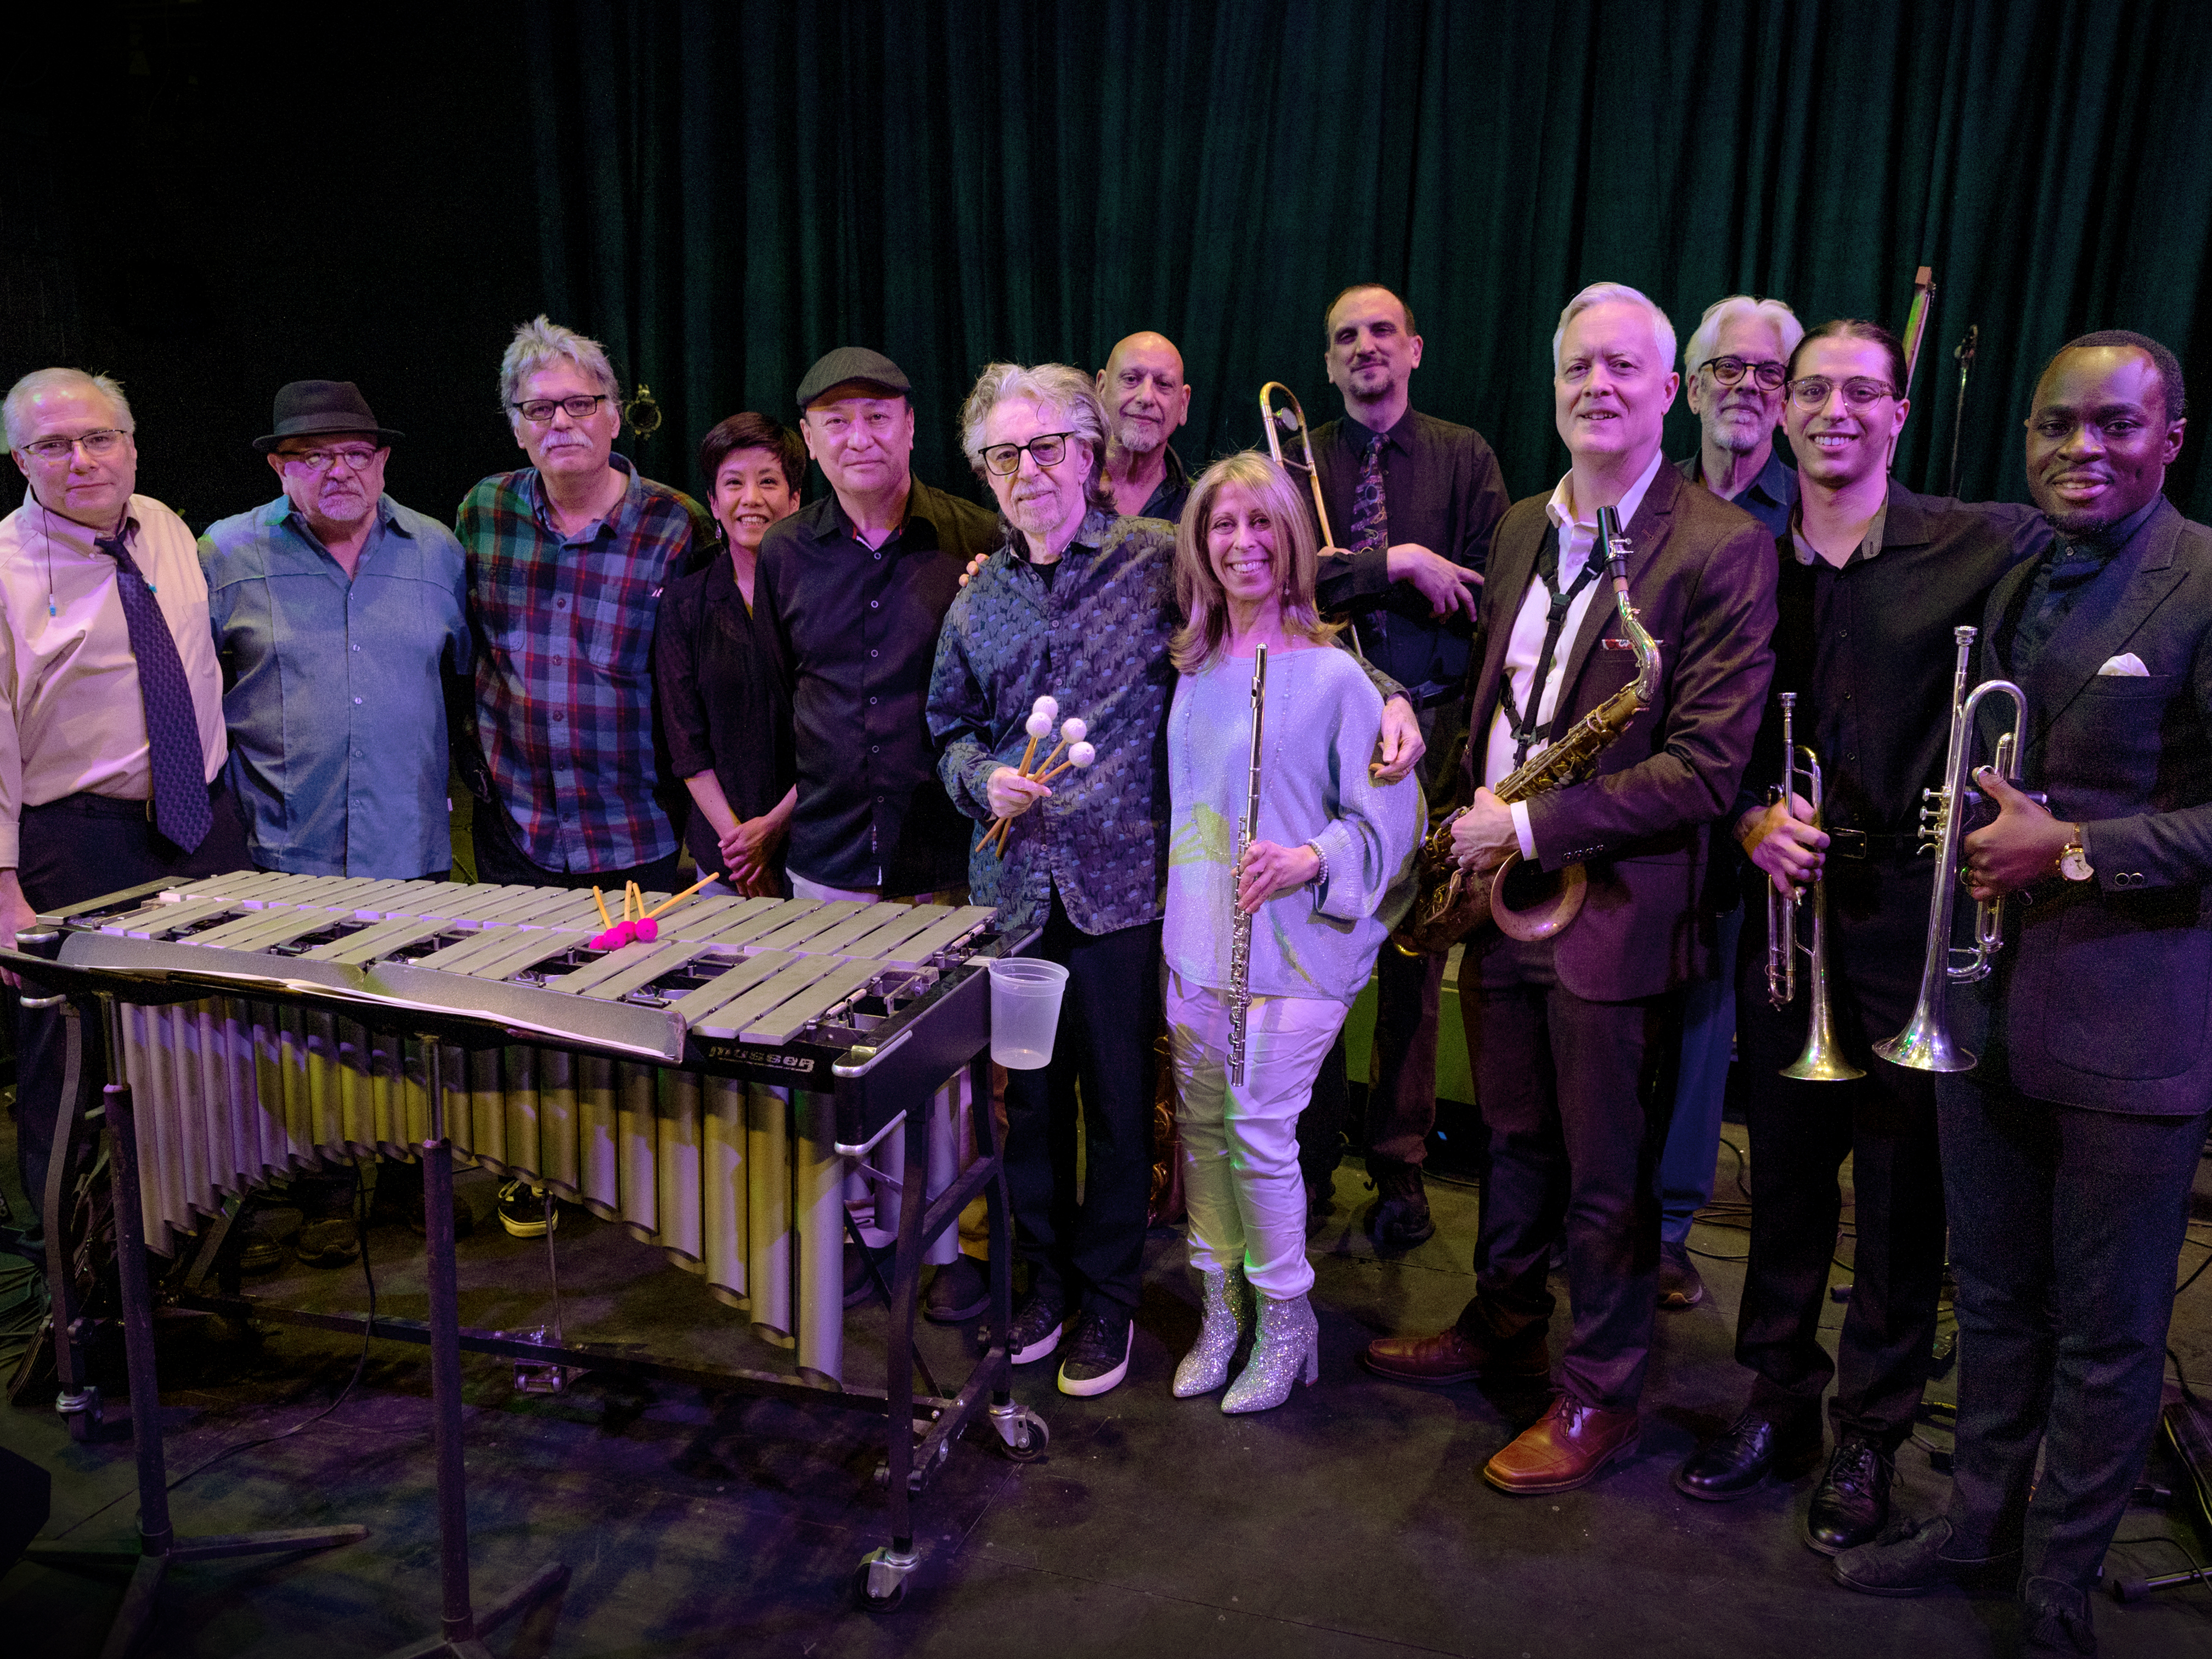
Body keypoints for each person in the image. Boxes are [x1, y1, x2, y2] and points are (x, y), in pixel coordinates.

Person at [930, 366, 1426, 1396]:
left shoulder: (1159, 557)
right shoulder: (975, 603)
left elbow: (1280, 621)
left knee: (1120, 1109)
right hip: (1017, 899)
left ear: (1089, 453)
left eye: (1050, 446)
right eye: (1004, 454)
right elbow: (948, 731)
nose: (1031, 471)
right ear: (986, 472)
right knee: (1026, 1109)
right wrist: (983, 777)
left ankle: (1107, 1303)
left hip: (1124, 897)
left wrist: (1387, 695)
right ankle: (1044, 1285)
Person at [1360, 283, 1777, 1497]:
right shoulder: (1525, 524)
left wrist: (1532, 817)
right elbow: (1501, 699)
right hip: (1503, 893)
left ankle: (1599, 1392)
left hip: (1615, 909)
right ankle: (1503, 1318)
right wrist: (1458, 828)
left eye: (1622, 369)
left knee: (1607, 1175)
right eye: (1577, 368)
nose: (1597, 386)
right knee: (1515, 1141)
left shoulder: (1722, 548)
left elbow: (1705, 769)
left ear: (1667, 392)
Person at [1833, 331, 2211, 1657]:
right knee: (1990, 1301)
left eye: (2115, 426)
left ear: (2171, 438)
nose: (2081, 450)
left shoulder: (2205, 578)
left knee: (2108, 1338)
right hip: (1983, 1009)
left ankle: (2058, 1586)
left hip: (2127, 1024)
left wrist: (2080, 847)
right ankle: (1976, 1529)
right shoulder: (2019, 578)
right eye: (2058, 427)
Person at [1671, 321, 2046, 1554]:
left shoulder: (1978, 546)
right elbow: (1698, 735)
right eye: (1811, 390)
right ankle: (1779, 1401)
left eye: (1861, 393)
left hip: (1911, 927)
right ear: (1780, 413)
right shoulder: (1739, 560)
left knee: (1900, 1201)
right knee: (1780, 1185)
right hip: (1789, 917)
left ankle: (1873, 1433)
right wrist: (1745, 820)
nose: (1834, 410)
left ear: (1896, 414)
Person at [1163, 450, 1420, 1412]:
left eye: (1261, 524)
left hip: (1297, 948)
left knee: (1260, 1132)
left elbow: (1392, 823)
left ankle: (1286, 1321)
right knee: (1200, 1132)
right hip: (1195, 941)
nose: (1242, 543)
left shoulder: (1337, 677)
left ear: (1291, 540)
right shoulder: (1190, 666)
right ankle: (1219, 1311)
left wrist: (1307, 856)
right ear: (1199, 543)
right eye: (1223, 525)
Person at [755, 347, 1001, 1302]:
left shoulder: (973, 534)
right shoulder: (783, 551)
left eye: (877, 416)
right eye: (835, 421)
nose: (858, 436)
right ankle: (856, 1232)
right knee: (835, 1059)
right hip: (825, 849)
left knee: (945, 1077)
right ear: (811, 443)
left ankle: (947, 1248)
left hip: (939, 853)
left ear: (909, 425)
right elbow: (787, 686)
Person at [1, 368, 249, 1246]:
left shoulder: (170, 529)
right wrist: (4, 898)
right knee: (73, 1068)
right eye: (52, 445)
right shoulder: (2, 569)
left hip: (200, 829)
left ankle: (194, 1247)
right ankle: (80, 1287)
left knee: (209, 1058)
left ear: (132, 445)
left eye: (99, 438)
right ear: (18, 460)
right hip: (77, 841)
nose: (81, 460)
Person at [1299, 283, 1512, 1249]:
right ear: (1329, 360)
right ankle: (1304, 1155)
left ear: (1414, 349)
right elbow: (1289, 583)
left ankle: (1399, 1165)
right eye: (1346, 336)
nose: (1364, 347)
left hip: (1429, 738)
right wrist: (1394, 564)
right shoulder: (1300, 461)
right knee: (1309, 957)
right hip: (1317, 743)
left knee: (1411, 966)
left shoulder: (1465, 457)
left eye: (1381, 331)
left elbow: (1484, 594)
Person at [1655, 295, 1806, 1309]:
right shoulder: (1652, 501)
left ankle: (1667, 1224)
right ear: (1692, 387)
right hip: (1661, 798)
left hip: (1760, 810)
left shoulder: (1811, 513)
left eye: (1768, 373)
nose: (1744, 389)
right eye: (1726, 369)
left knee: (1711, 1028)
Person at [456, 314, 713, 897]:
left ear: (615, 417)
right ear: (517, 428)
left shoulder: (680, 525)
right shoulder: (483, 512)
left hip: (638, 833)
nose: (561, 424)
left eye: (580, 404)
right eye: (539, 410)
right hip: (515, 834)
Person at [201, 380, 470, 883]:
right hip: (278, 854)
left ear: (382, 462)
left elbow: (472, 684)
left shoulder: (438, 551)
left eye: (356, 454)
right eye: (314, 457)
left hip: (411, 850)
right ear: (279, 467)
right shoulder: (228, 553)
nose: (341, 471)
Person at [653, 412, 803, 896]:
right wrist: (740, 845)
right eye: (734, 484)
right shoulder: (684, 604)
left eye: (769, 482)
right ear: (715, 504)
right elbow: (686, 743)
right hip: (724, 853)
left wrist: (773, 827)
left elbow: (838, 735)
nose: (752, 499)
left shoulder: (824, 597)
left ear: (795, 499)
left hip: (814, 843)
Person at [1095, 331, 1194, 522]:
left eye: (1164, 384)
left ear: (1183, 404)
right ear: (1101, 389)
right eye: (1131, 379)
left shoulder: (1200, 508)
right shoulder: (1060, 487)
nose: (1146, 397)